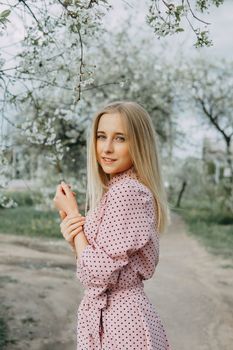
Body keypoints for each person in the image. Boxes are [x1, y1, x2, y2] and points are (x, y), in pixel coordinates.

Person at [53, 101, 172, 350]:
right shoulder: (118, 190)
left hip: (121, 324)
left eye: (120, 138)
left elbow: (97, 273)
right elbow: (96, 263)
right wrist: (72, 227)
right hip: (113, 318)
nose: (106, 148)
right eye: (101, 136)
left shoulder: (127, 192)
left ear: (139, 144)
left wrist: (75, 217)